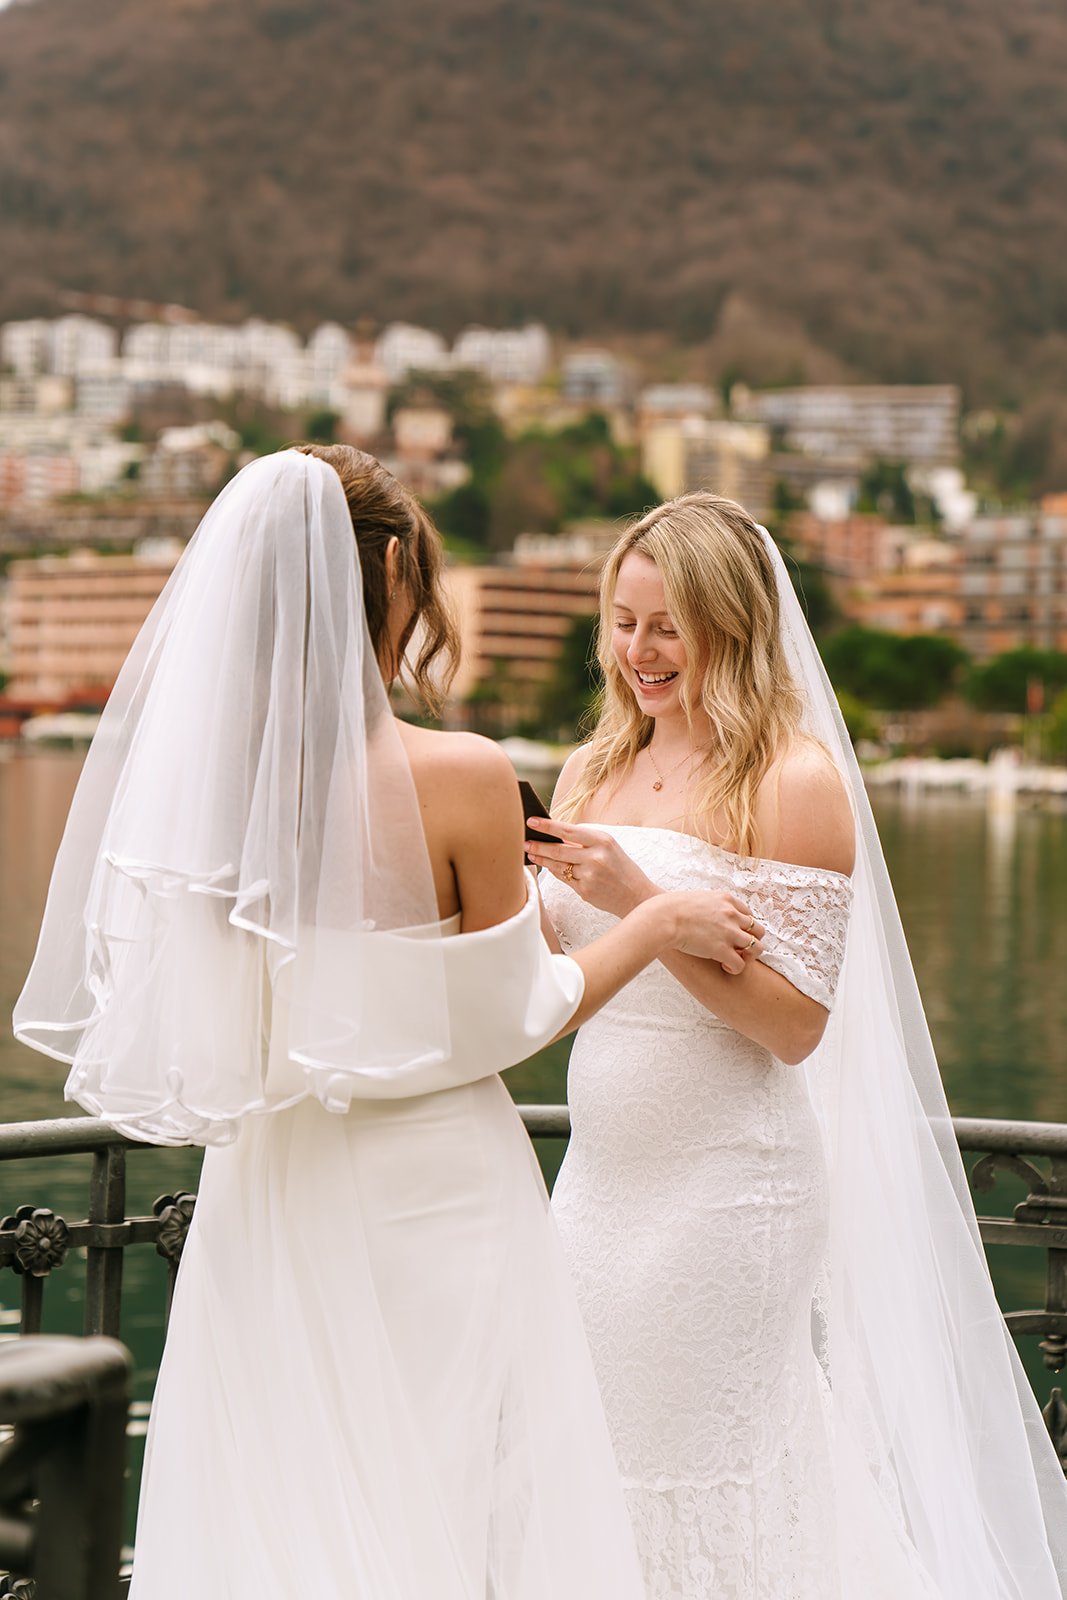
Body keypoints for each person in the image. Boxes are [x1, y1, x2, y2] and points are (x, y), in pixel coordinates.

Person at [13, 449, 766, 1599]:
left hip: (272, 1182)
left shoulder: (201, 791)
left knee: (280, 1491)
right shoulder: (460, 772)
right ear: (401, 572)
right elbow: (523, 1009)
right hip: (435, 1192)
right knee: (455, 1496)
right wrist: (657, 921)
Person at [526, 491, 1067, 1600]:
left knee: (704, 1469)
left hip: (728, 1193)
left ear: (730, 619)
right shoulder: (587, 768)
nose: (640, 651)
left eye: (667, 622)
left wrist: (641, 904)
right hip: (595, 1188)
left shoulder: (791, 780)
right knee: (591, 1462)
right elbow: (560, 997)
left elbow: (793, 1025)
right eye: (623, 621)